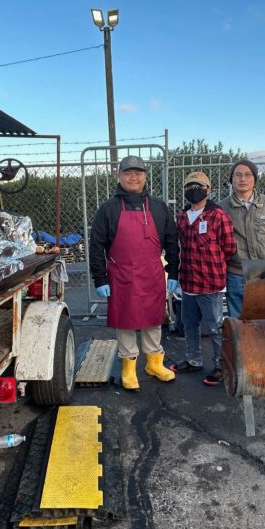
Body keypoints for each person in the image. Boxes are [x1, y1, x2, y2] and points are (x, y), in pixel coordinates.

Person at [89, 155, 180, 391]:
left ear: (145, 177)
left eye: (138, 172)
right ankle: (128, 368)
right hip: (122, 275)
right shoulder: (108, 209)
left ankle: (154, 363)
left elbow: (171, 240)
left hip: (152, 273)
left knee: (153, 319)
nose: (134, 177)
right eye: (128, 173)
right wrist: (100, 278)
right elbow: (97, 245)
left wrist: (174, 271)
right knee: (126, 322)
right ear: (119, 176)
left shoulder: (159, 207)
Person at [170, 171, 236, 386]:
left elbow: (229, 248)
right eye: (189, 186)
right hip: (188, 284)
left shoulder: (218, 216)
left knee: (216, 327)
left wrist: (212, 264)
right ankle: (193, 360)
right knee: (189, 325)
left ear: (208, 190)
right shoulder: (181, 216)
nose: (193, 190)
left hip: (210, 284)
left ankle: (220, 366)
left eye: (198, 186)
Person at [222, 158, 265, 318]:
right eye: (237, 175)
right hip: (236, 273)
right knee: (238, 321)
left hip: (264, 271)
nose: (243, 179)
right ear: (231, 180)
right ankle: (240, 344)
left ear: (255, 179)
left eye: (247, 175)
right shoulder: (222, 207)